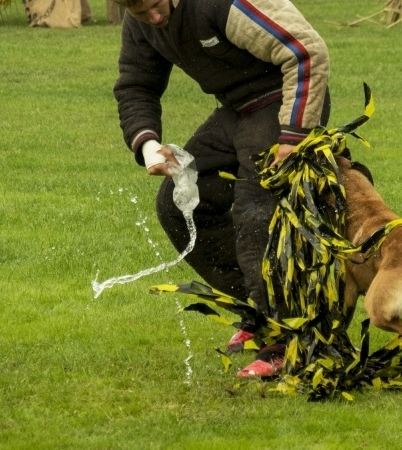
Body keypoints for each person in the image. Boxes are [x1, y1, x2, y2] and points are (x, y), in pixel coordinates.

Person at [112, 0, 330, 377]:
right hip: (236, 111)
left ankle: (288, 340)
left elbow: (305, 51)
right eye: (140, 13)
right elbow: (136, 85)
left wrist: (295, 134)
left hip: (281, 105)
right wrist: (148, 145)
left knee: (255, 214)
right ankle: (258, 312)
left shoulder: (220, 4)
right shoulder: (140, 22)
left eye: (155, 6)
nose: (155, 19)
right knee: (177, 205)